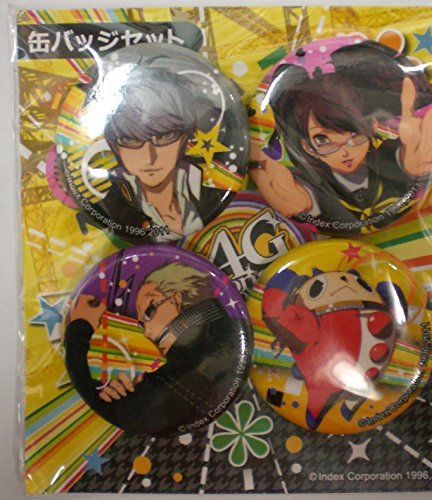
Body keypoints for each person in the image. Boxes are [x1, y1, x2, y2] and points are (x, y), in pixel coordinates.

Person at [251, 42, 432, 230]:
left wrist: (412, 163)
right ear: (308, 147)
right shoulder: (313, 186)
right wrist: (296, 199)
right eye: (322, 140)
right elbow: (303, 199)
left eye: (353, 132)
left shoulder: (390, 157)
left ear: (372, 124)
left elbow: (406, 160)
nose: (344, 152)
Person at [64, 262, 247, 436]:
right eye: (141, 323)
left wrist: (81, 327)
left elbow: (110, 411)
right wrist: (132, 395)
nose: (147, 332)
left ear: (176, 299)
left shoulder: (183, 365)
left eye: (149, 312)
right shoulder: (225, 332)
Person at [89, 60, 222, 240]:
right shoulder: (109, 211)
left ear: (184, 138)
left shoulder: (212, 196)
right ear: (114, 146)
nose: (149, 157)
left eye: (165, 136)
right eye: (130, 139)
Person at [262, 268, 407, 429]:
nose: (346, 282)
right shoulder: (309, 320)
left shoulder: (378, 308)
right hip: (330, 380)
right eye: (317, 289)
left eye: (361, 284)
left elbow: (274, 313)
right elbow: (275, 316)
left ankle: (347, 406)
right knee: (319, 404)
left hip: (365, 377)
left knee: (345, 394)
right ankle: (327, 412)